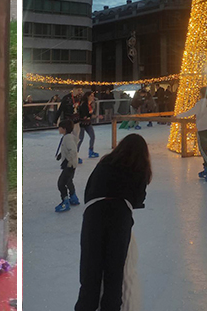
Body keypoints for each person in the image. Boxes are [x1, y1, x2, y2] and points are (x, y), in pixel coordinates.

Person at [74, 133, 150, 311]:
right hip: (120, 216)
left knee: (89, 273)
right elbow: (139, 199)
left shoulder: (106, 162)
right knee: (114, 274)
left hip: (94, 213)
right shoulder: (139, 168)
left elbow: (89, 189)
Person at [172, 86, 207, 179]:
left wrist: (178, 116)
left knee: (202, 149)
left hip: (203, 129)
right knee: (205, 148)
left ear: (201, 94)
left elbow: (190, 112)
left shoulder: (201, 103)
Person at [55, 119, 80, 212]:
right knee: (68, 181)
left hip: (70, 165)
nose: (58, 129)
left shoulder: (67, 138)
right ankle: (73, 197)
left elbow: (72, 150)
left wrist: (67, 161)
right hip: (72, 164)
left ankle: (65, 202)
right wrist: (61, 154)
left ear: (64, 129)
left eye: (60, 127)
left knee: (61, 183)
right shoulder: (69, 137)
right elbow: (69, 148)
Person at [76, 91, 100, 159]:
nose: (93, 97)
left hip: (87, 123)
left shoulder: (89, 105)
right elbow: (85, 115)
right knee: (80, 139)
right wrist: (94, 116)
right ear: (87, 96)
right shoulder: (84, 105)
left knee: (92, 136)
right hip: (82, 124)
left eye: (93, 95)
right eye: (91, 96)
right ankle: (75, 154)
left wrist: (94, 116)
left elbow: (89, 115)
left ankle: (91, 151)